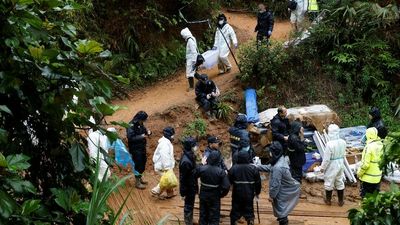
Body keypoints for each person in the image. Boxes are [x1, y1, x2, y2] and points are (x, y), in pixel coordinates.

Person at [268, 141, 300, 225]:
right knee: (282, 209)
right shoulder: (280, 159)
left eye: (270, 152)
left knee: (281, 210)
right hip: (286, 187)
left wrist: (271, 196)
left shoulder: (278, 168)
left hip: (284, 190)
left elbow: (275, 185)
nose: (269, 153)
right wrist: (256, 166)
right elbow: (270, 168)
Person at [195, 151, 230, 225]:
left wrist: (196, 189)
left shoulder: (201, 169)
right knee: (214, 216)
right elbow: (226, 186)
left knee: (203, 213)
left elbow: (193, 176)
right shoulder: (220, 172)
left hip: (203, 194)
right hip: (215, 196)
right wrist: (222, 195)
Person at [229, 151, 262, 225]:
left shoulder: (234, 168)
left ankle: (234, 220)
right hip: (249, 194)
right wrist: (257, 192)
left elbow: (229, 181)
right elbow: (258, 183)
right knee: (249, 209)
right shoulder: (253, 169)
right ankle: (250, 220)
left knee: (235, 209)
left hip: (237, 194)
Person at [320, 124, 346, 206]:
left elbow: (326, 159)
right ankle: (340, 201)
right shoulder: (343, 142)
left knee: (329, 181)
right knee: (339, 180)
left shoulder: (329, 144)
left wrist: (322, 168)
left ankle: (328, 200)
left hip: (332, 165)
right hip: (340, 163)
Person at [126, 111, 151, 189]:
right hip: (135, 149)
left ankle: (140, 178)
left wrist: (148, 132)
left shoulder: (140, 123)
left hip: (142, 147)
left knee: (143, 162)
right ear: (139, 118)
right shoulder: (130, 125)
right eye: (143, 120)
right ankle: (137, 182)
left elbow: (144, 130)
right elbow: (130, 138)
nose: (143, 122)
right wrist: (141, 136)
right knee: (138, 164)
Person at [357, 127, 384, 198]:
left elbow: (365, 165)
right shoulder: (381, 145)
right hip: (377, 177)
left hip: (367, 178)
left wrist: (359, 173)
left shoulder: (368, 147)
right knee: (375, 198)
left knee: (366, 199)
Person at [151, 127, 176, 199]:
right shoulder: (165, 144)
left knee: (168, 179)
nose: (173, 136)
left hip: (163, 166)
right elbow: (165, 156)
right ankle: (156, 190)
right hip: (163, 167)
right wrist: (168, 168)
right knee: (167, 180)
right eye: (172, 135)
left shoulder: (166, 142)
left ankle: (170, 194)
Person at [179, 137, 199, 225]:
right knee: (188, 204)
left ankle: (190, 219)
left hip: (192, 184)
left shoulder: (190, 155)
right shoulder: (186, 161)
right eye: (194, 145)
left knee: (191, 202)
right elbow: (183, 178)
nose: (196, 147)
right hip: (188, 186)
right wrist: (183, 191)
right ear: (190, 146)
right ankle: (188, 221)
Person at [181, 27, 199, 91]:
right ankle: (202, 80)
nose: (183, 37)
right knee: (193, 72)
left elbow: (194, 51)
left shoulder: (190, 41)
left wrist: (194, 62)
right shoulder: (191, 38)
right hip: (190, 59)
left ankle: (191, 87)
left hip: (191, 60)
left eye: (183, 35)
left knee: (189, 73)